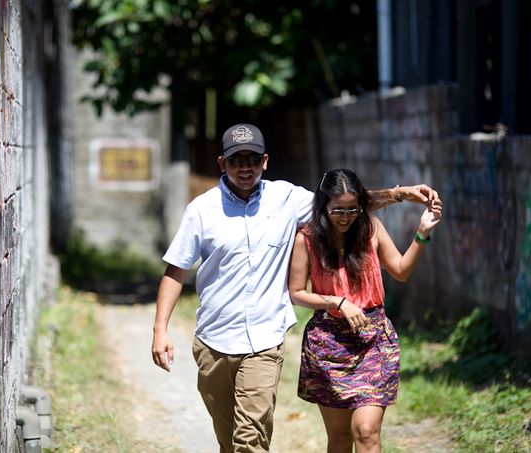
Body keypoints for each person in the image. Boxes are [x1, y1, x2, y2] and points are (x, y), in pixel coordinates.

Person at [151, 123, 441, 453]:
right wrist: (160, 329)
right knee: (229, 439)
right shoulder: (201, 210)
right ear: (222, 164)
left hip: (264, 339)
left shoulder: (286, 199)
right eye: (236, 160)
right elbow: (175, 270)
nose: (245, 167)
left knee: (251, 440)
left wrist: (400, 194)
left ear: (265, 161)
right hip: (214, 340)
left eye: (252, 159)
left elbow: (343, 204)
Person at [288, 168, 442, 453]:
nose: (345, 217)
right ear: (322, 205)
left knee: (366, 431)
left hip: (373, 340)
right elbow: (296, 293)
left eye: (352, 209)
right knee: (340, 438)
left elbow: (400, 271)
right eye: (338, 210)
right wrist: (336, 301)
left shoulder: (371, 229)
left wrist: (421, 234)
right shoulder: (306, 239)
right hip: (328, 344)